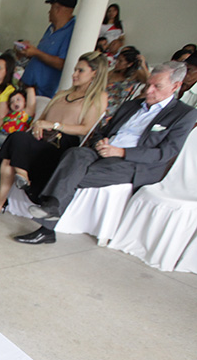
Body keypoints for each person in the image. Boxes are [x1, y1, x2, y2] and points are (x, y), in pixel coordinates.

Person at [17, 62, 197, 244]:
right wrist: (101, 141)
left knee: (72, 172)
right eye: (148, 84)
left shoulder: (184, 114)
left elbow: (165, 153)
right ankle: (51, 207)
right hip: (104, 150)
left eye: (157, 86)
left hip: (135, 163)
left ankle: (46, 220)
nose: (149, 91)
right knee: (74, 154)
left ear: (175, 86)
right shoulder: (132, 105)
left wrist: (121, 152)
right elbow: (101, 132)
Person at [0, 51, 109, 216]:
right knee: (15, 141)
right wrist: (38, 125)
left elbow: (86, 129)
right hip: (40, 136)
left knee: (15, 143)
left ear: (94, 73)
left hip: (62, 142)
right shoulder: (62, 94)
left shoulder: (98, 97)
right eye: (75, 69)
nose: (74, 74)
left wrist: (55, 125)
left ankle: (8, 194)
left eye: (80, 71)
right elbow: (42, 119)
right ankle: (14, 185)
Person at [19, 0, 77, 98]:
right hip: (28, 87)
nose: (49, 12)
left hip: (42, 94)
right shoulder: (51, 28)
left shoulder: (72, 31)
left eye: (51, 8)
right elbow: (42, 54)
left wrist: (36, 52)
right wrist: (29, 51)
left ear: (58, 9)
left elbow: (62, 64)